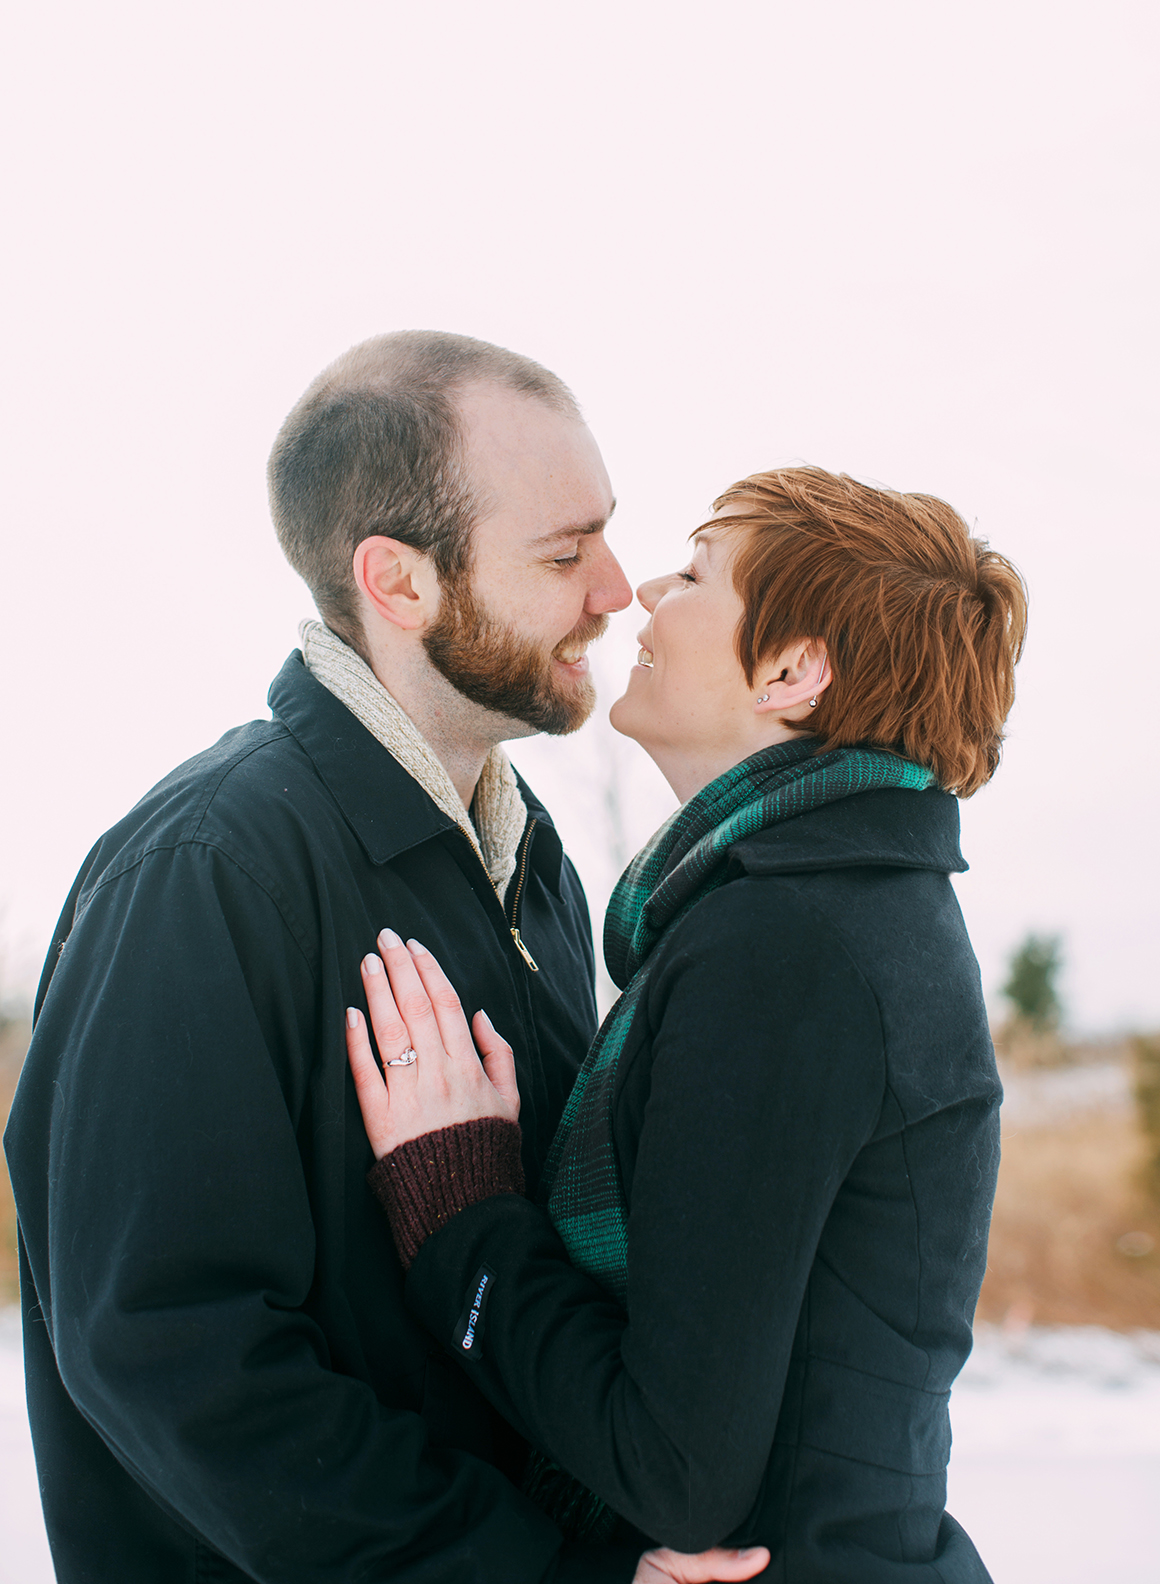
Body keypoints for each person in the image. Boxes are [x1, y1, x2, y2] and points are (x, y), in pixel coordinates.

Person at [3, 332, 768, 1584]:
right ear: (399, 581)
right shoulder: (207, 869)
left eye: (608, 538)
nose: (619, 589)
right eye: (565, 553)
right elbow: (174, 1358)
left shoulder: (531, 864)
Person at [346, 466, 1028, 1581]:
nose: (648, 593)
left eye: (703, 573)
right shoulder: (852, 906)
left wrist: (460, 1208)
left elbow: (676, 1470)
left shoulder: (789, 945)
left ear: (793, 671)